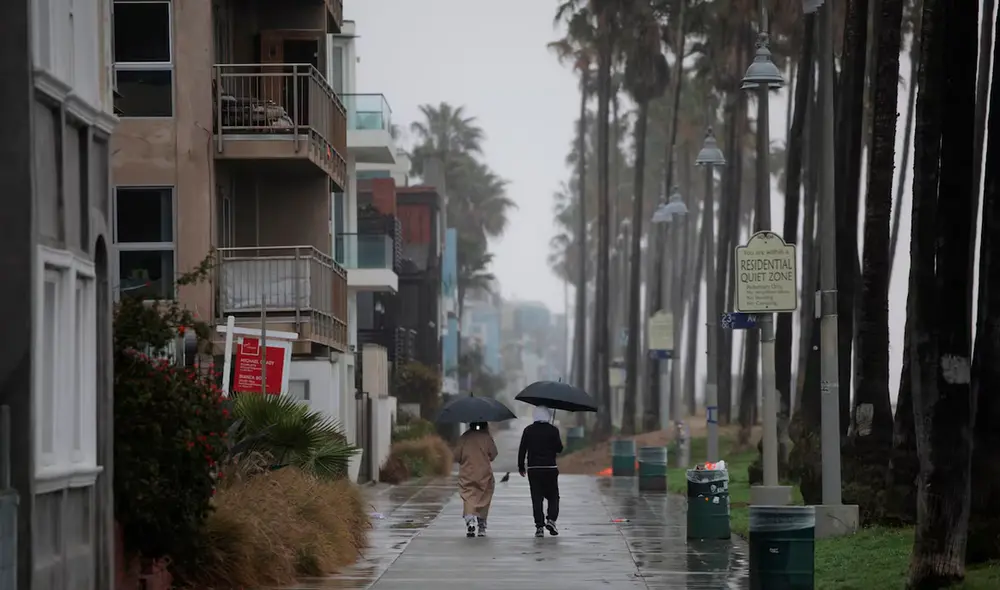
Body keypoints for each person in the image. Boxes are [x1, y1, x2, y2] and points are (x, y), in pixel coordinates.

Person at [518, 406, 563, 538]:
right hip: (550, 468)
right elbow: (559, 448)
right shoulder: (553, 430)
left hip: (534, 469)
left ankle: (539, 527)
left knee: (536, 498)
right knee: (553, 496)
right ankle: (551, 520)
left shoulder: (528, 430)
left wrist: (521, 466)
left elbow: (522, 449)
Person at [454, 422, 498, 537]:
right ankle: (482, 524)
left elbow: (457, 456)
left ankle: (470, 520)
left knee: (468, 496)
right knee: (484, 495)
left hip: (467, 472)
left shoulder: (464, 437)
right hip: (484, 473)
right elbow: (493, 454)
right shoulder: (486, 437)